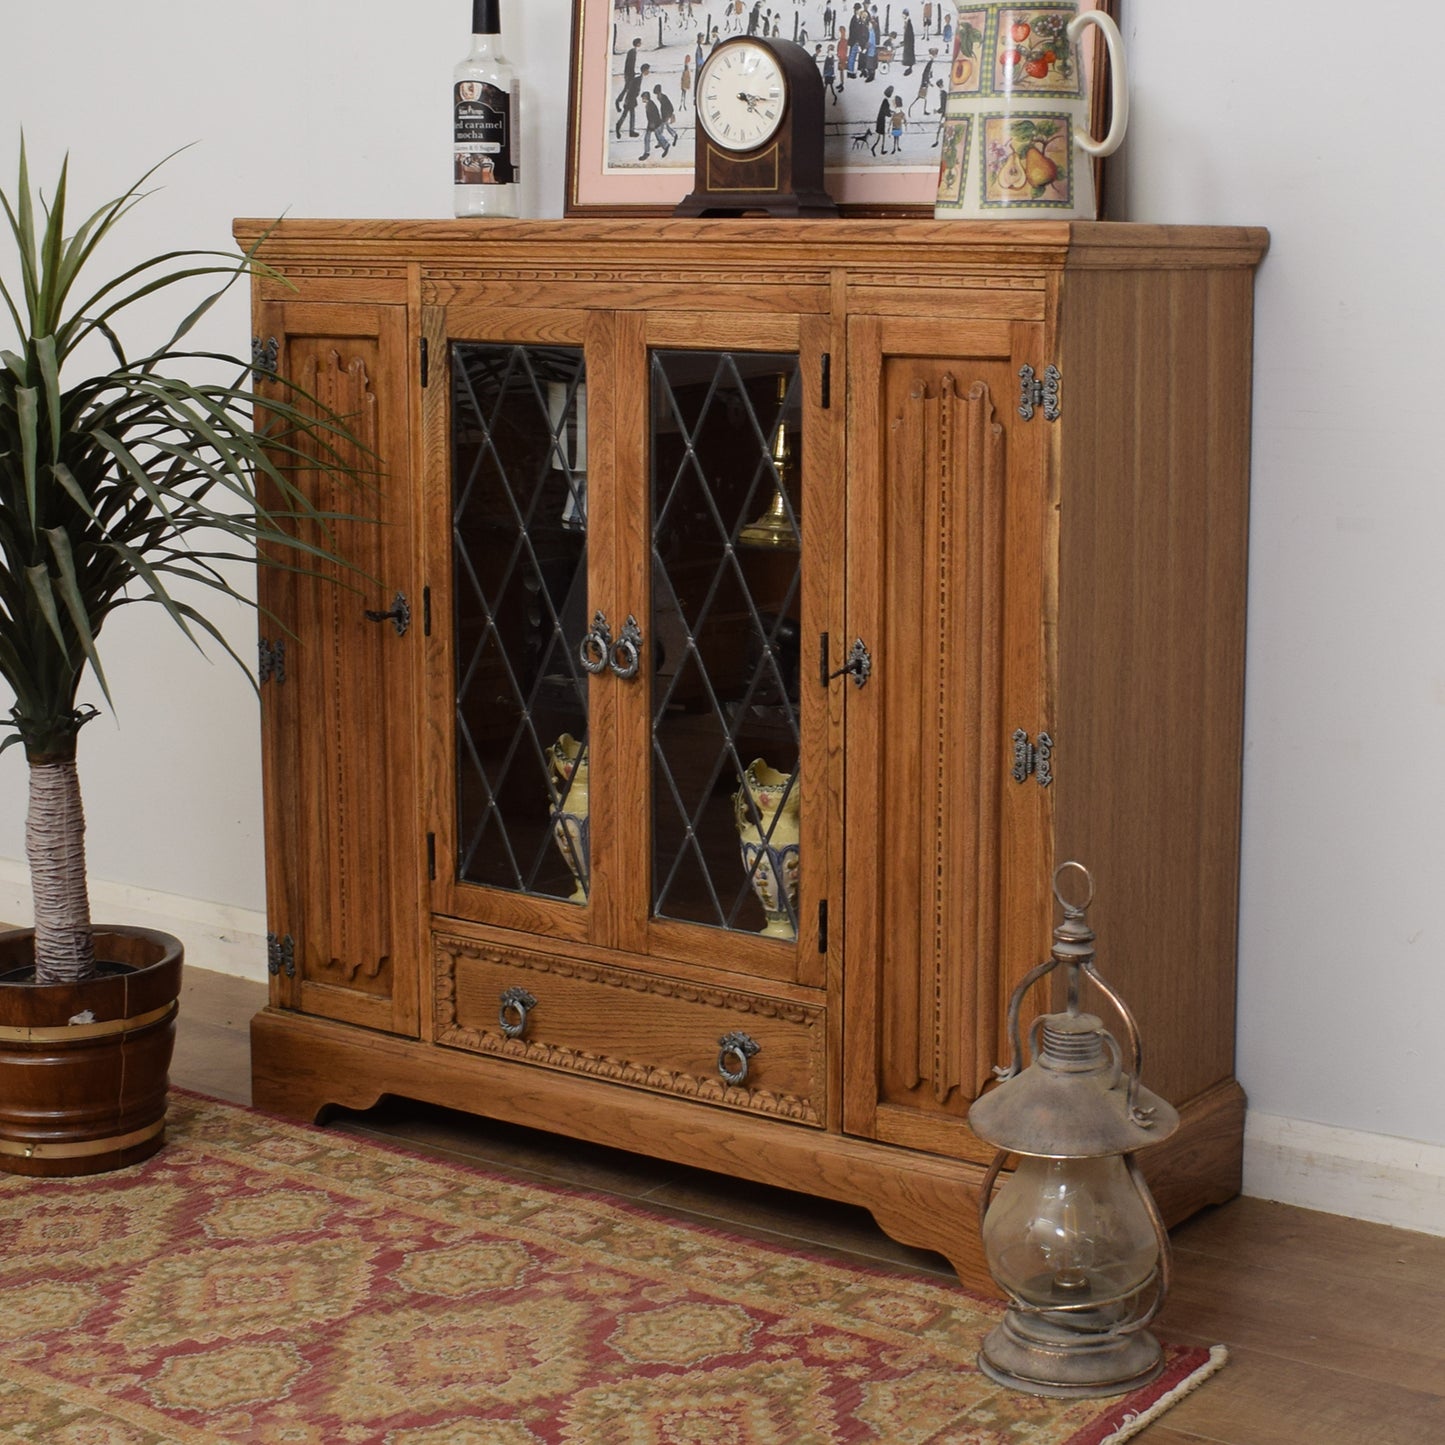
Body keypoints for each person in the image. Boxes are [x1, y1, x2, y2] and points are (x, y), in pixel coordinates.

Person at [641, 86, 671, 158]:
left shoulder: (650, 104)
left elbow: (654, 115)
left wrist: (652, 124)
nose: (642, 99)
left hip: (655, 123)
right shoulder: (649, 103)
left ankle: (665, 145)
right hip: (653, 123)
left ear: (646, 97)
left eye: (643, 98)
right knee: (649, 137)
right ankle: (647, 152)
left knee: (657, 136)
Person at [871, 83, 894, 152]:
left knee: (880, 134)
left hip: (880, 119)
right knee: (882, 134)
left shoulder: (885, 100)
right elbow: (885, 111)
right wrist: (890, 114)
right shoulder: (886, 101)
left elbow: (886, 110)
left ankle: (876, 147)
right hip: (881, 120)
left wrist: (890, 111)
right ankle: (881, 149)